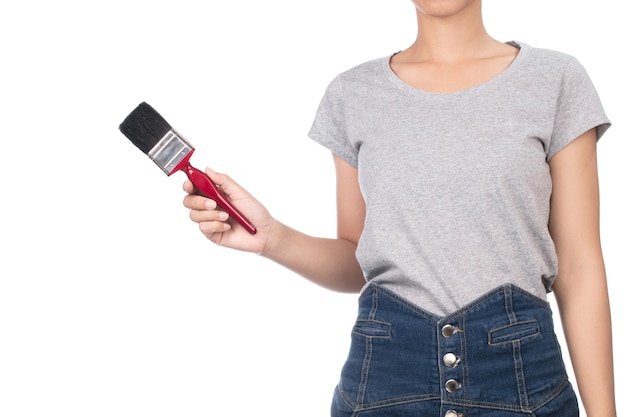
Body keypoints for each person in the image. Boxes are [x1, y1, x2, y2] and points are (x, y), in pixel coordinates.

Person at [182, 1, 616, 415]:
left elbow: (578, 267)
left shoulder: (555, 79)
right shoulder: (353, 93)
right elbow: (359, 260)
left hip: (524, 386)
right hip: (383, 387)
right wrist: (271, 237)